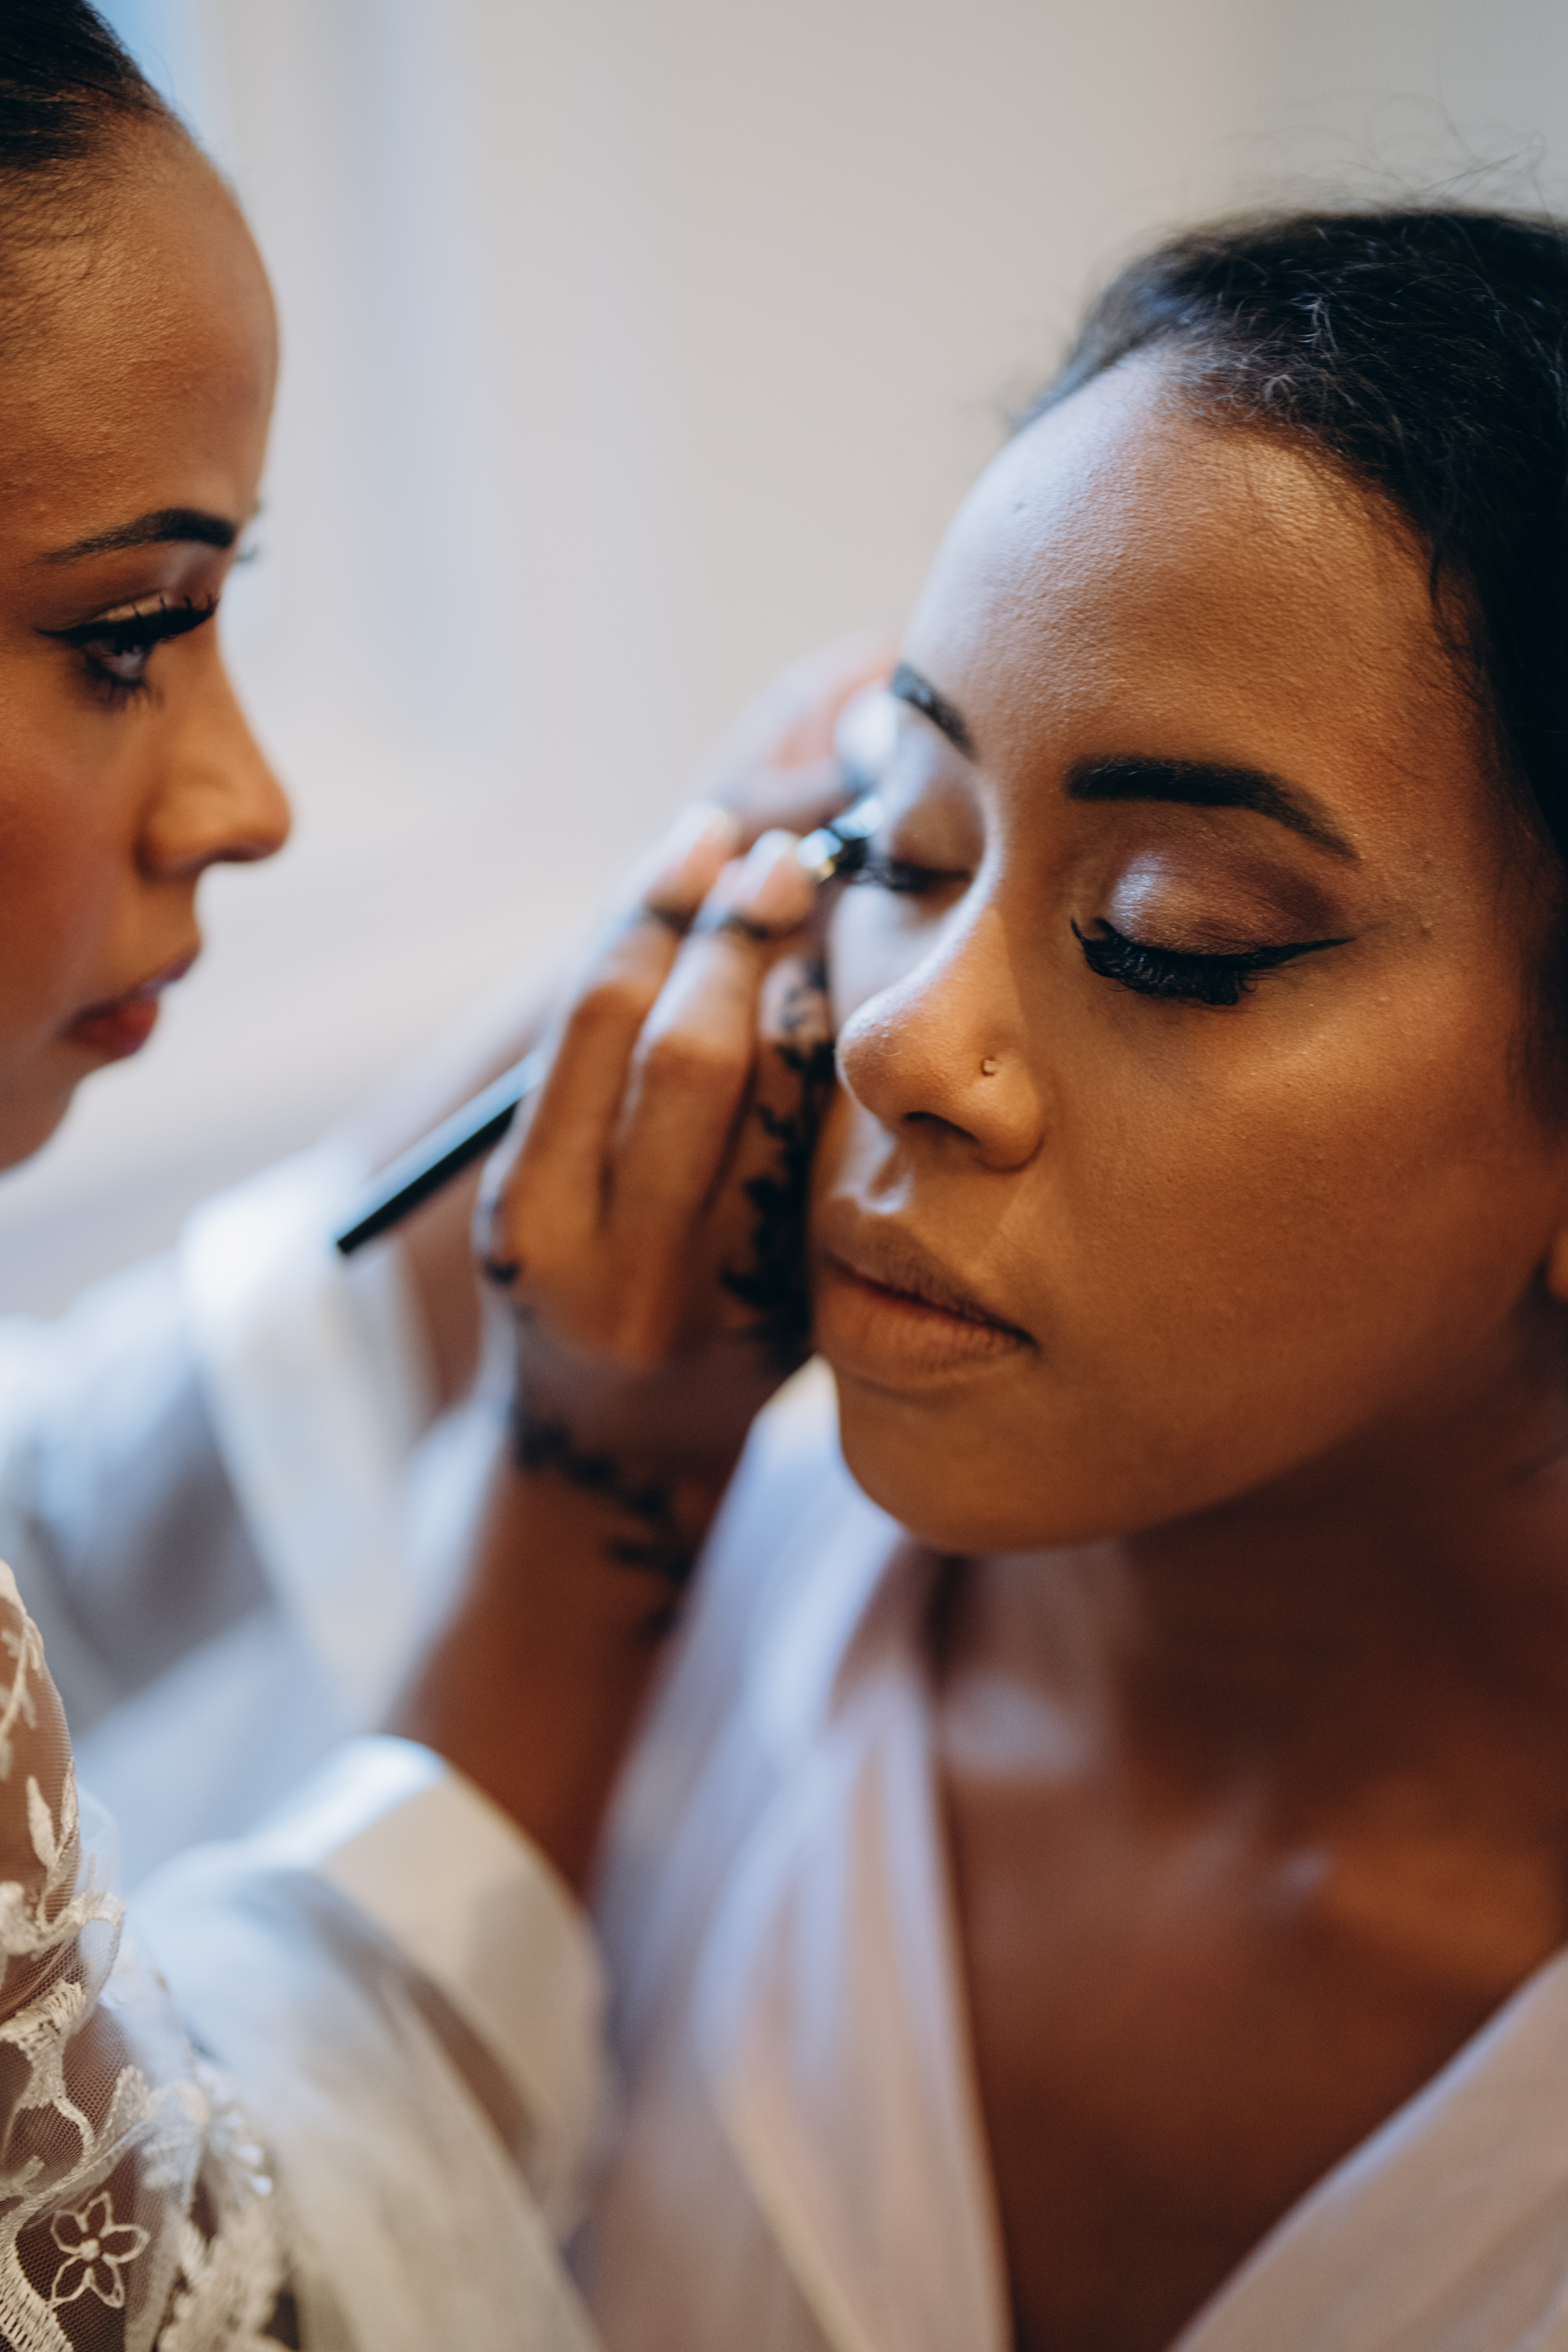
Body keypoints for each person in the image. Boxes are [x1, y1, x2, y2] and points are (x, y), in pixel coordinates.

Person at [15, 10, 1568, 2352]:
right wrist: (578, 1494)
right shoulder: (690, 1610)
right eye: (901, 847)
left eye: (1175, 934)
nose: (905, 1035)